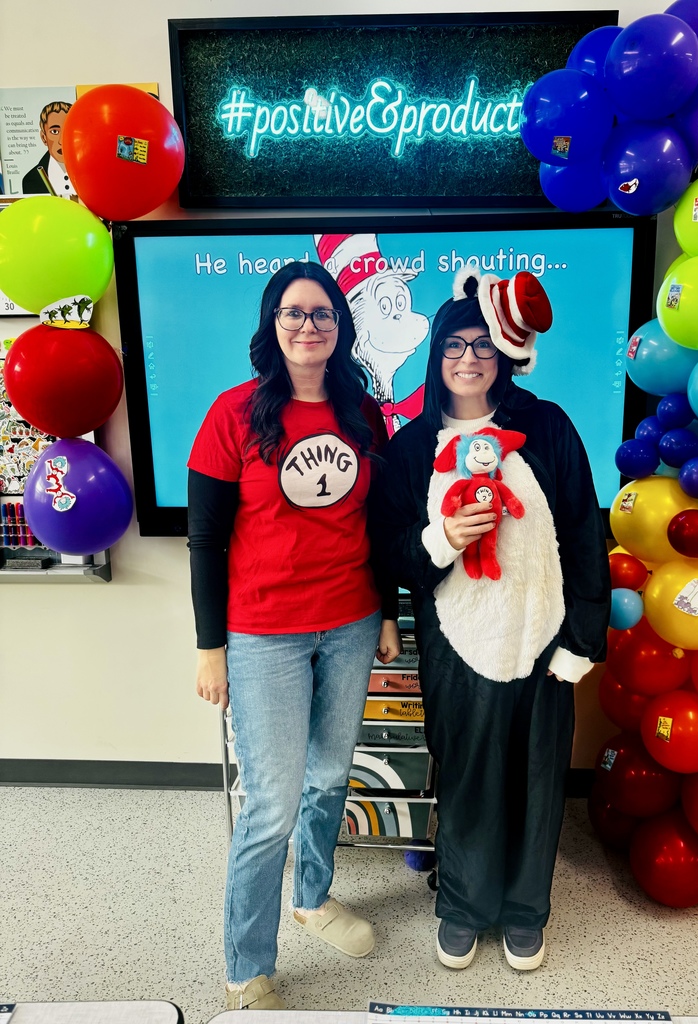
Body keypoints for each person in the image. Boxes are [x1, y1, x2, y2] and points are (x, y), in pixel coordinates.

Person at [371, 268, 610, 972]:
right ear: (434, 355)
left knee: (536, 780)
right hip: (456, 648)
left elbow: (581, 534)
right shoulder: (411, 449)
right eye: (453, 345)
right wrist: (444, 538)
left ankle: (524, 911)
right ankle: (463, 906)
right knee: (469, 777)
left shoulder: (545, 425)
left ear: (505, 352)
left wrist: (582, 640)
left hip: (541, 641)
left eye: (482, 345)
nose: (468, 358)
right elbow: (390, 553)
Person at [187, 260, 401, 1010]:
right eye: (293, 313)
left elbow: (377, 523)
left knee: (328, 779)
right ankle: (247, 965)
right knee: (271, 806)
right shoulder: (232, 414)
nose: (308, 326)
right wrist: (211, 647)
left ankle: (313, 898)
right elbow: (205, 541)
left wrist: (383, 612)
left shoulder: (361, 412)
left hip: (348, 621)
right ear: (271, 324)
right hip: (262, 635)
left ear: (339, 329)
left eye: (322, 314)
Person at [21, 101, 77, 197]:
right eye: (55, 131)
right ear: (44, 137)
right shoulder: (31, 179)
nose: (61, 141)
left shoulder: (94, 174)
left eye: (68, 130)